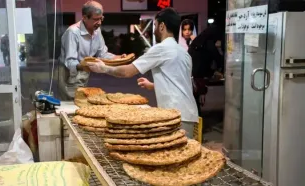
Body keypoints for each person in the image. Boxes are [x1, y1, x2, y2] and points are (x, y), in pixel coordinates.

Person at [87, 7, 199, 138]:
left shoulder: (161, 49)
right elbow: (180, 82)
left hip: (175, 114)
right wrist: (152, 85)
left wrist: (103, 68)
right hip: (189, 114)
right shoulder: (183, 53)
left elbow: (127, 72)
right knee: (184, 154)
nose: (155, 30)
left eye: (155, 26)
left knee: (172, 154)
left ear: (162, 26)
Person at [59, 0, 125, 99]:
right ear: (85, 17)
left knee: (82, 103)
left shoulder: (96, 30)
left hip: (84, 73)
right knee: (72, 106)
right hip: (70, 76)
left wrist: (117, 58)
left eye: (101, 19)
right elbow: (70, 61)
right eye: (96, 19)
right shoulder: (73, 32)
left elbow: (102, 54)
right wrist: (85, 66)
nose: (99, 23)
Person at [187, 25, 224, 120]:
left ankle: (196, 122)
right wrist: (221, 67)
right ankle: (197, 124)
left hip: (191, 74)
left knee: (195, 100)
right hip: (198, 75)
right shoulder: (209, 42)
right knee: (197, 100)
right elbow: (217, 58)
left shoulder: (198, 41)